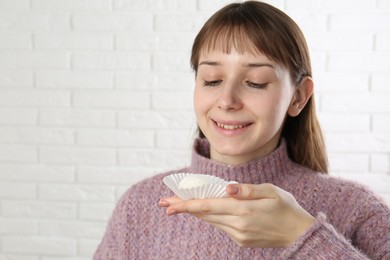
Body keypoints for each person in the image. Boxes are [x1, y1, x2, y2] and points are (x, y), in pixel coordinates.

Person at [94, 1, 390, 259]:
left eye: (256, 82)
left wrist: (301, 234)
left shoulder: (356, 210)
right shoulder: (140, 205)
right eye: (212, 79)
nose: (227, 100)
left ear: (298, 96)